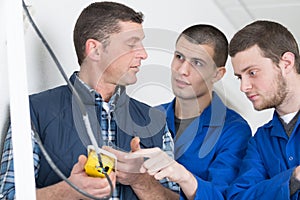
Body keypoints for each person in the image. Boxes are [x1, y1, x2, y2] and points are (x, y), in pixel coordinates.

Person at [0, 2, 179, 199]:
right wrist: (68, 191)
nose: (144, 54)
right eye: (131, 44)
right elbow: (7, 195)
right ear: (94, 49)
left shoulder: (155, 121)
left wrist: (141, 181)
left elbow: (175, 196)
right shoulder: (32, 112)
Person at [128, 24, 252, 199]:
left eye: (197, 63)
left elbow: (222, 196)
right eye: (179, 57)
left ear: (217, 74)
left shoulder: (234, 131)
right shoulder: (150, 117)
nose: (182, 70)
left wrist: (183, 176)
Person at [225, 20, 300, 200]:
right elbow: (239, 197)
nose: (244, 87)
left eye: (252, 72)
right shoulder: (260, 141)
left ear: (286, 63)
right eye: (239, 77)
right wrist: (294, 178)